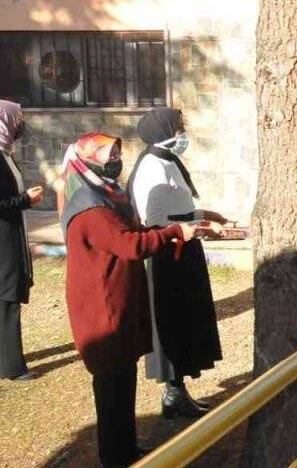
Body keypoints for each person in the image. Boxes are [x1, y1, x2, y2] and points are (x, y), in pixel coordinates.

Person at [61, 132, 207, 468]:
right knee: (111, 386)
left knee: (122, 381)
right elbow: (130, 245)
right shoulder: (91, 208)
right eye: (108, 155)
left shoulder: (106, 195)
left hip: (117, 302)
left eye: (117, 153)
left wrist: (181, 225)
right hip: (103, 309)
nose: (115, 161)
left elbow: (135, 232)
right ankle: (115, 457)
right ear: (88, 160)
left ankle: (125, 449)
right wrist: (174, 233)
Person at [126, 108, 225, 419]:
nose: (183, 133)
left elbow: (178, 208)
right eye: (178, 127)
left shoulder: (169, 161)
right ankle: (172, 392)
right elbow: (154, 219)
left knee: (187, 320)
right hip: (168, 256)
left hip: (184, 251)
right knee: (172, 320)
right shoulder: (151, 166)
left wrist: (204, 215)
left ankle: (179, 391)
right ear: (163, 130)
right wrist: (198, 224)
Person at [0, 101, 40, 381]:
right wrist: (25, 200)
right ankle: (12, 367)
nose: (21, 123)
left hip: (10, 233)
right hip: (3, 239)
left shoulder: (5, 154)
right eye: (18, 118)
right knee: (7, 297)